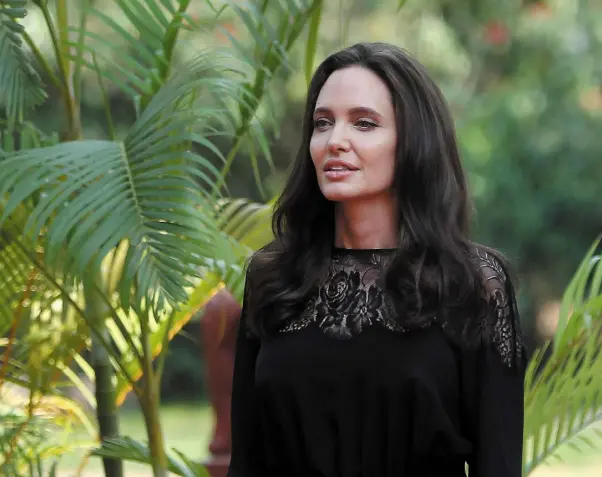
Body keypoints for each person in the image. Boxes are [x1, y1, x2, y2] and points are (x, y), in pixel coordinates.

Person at [227, 42, 527, 477]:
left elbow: (497, 465)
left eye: (364, 123)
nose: (335, 141)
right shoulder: (274, 278)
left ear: (413, 141)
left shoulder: (472, 284)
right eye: (323, 123)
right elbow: (246, 462)